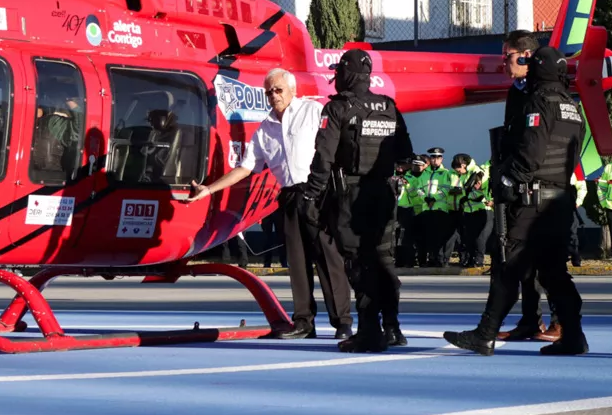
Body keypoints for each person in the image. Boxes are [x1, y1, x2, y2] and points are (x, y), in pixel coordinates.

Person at [186, 68, 352, 340]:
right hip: (288, 195)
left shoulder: (312, 111)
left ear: (292, 90)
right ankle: (303, 322)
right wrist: (209, 189)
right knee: (297, 263)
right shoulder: (265, 129)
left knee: (327, 258)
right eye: (269, 92)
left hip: (317, 191)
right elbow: (246, 167)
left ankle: (342, 323)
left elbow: (336, 144)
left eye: (278, 90)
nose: (274, 96)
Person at [444, 46, 588, 356]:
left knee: (508, 263)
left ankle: (484, 334)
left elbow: (530, 156)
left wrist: (506, 178)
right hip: (560, 201)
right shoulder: (572, 106)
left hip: (533, 201)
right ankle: (574, 335)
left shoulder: (539, 101)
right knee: (553, 272)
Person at [301, 49, 414, 352]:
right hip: (384, 193)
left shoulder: (337, 108)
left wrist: (311, 193)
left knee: (360, 263)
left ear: (346, 74)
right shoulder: (389, 106)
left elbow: (323, 157)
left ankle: (368, 331)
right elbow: (405, 153)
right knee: (384, 261)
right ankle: (392, 327)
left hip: (351, 194)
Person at [492, 30, 559, 344]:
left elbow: (539, 144)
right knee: (523, 261)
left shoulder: (544, 91)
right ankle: (530, 321)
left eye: (507, 56)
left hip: (542, 185)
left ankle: (562, 322)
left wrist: (513, 174)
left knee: (548, 258)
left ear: (525, 57)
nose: (503, 62)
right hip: (521, 184)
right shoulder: (516, 92)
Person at [419, 147, 456, 266]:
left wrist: (434, 198)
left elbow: (446, 189)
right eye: (433, 157)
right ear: (430, 159)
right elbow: (419, 188)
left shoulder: (445, 173)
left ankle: (440, 259)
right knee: (428, 235)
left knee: (439, 235)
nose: (435, 160)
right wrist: (424, 198)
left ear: (441, 159)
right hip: (426, 208)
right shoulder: (424, 173)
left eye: (438, 157)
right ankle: (432, 258)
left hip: (439, 209)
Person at [454, 155, 492, 269]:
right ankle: (470, 259)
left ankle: (478, 260)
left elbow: (479, 190)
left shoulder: (477, 172)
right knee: (469, 237)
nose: (459, 173)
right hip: (468, 210)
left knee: (480, 237)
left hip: (480, 209)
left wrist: (468, 197)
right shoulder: (465, 174)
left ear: (463, 165)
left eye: (459, 170)